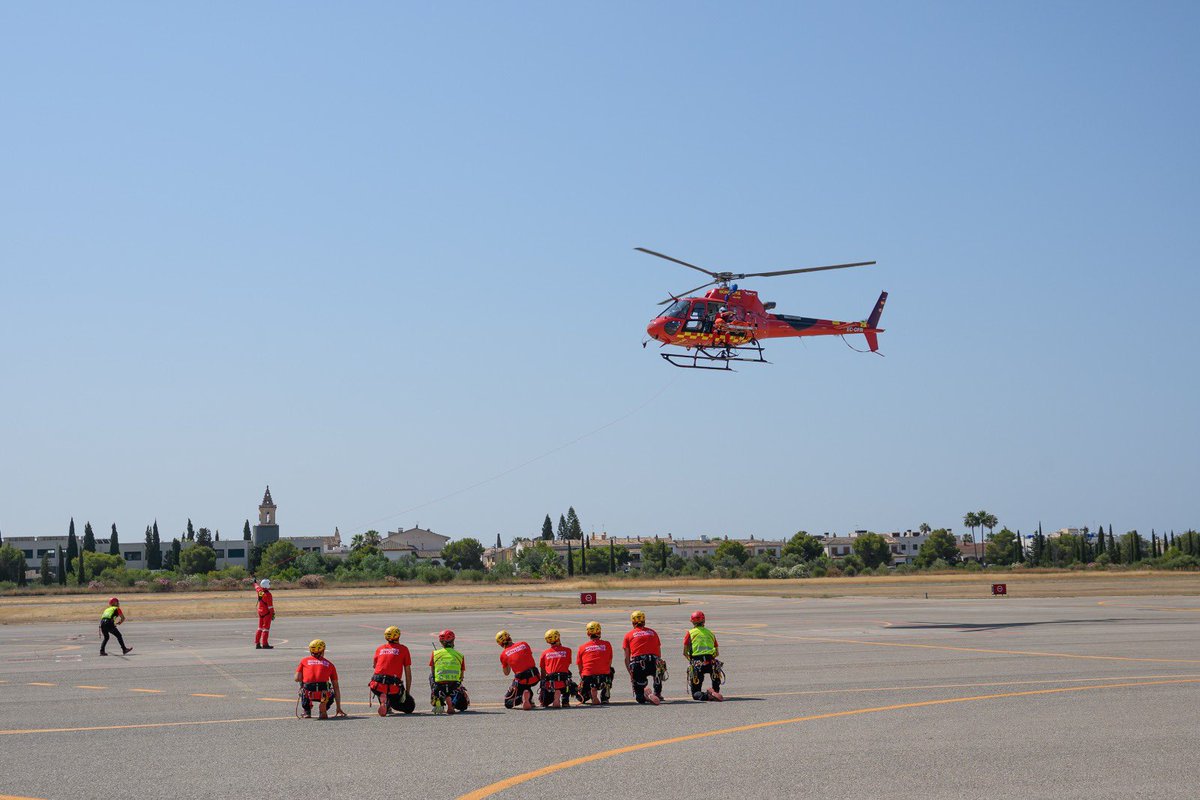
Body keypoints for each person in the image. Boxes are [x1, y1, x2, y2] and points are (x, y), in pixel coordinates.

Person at [294, 639, 346, 719]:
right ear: (323, 651)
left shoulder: (304, 661)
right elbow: (336, 687)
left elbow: (297, 678)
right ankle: (323, 709)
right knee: (329, 690)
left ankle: (307, 711)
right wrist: (338, 707)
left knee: (303, 687)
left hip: (309, 693)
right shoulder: (330, 664)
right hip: (323, 694)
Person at [370, 626, 415, 716]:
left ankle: (384, 699)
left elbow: (375, 666)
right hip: (393, 687)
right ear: (398, 636)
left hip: (376, 685)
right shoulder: (404, 649)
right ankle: (388, 702)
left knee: (383, 686)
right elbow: (408, 674)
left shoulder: (380, 649)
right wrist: (407, 693)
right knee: (409, 707)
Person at [622, 610, 663, 705]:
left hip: (639, 664)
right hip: (653, 662)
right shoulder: (653, 632)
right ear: (644, 621)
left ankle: (644, 695)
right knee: (658, 671)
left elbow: (626, 657)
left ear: (632, 622)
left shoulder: (628, 635)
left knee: (639, 698)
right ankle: (657, 692)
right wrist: (658, 665)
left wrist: (630, 672)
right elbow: (659, 653)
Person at [683, 611, 724, 701]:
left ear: (692, 622)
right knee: (715, 679)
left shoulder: (690, 633)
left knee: (695, 694)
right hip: (711, 662)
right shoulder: (710, 633)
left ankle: (706, 696)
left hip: (697, 663)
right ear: (704, 621)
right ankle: (715, 692)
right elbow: (716, 652)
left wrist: (691, 661)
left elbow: (685, 652)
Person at [496, 630, 539, 710]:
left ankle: (524, 697)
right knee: (526, 684)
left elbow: (506, 673)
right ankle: (530, 700)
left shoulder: (504, 654)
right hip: (535, 676)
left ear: (500, 644)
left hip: (522, 679)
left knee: (508, 703)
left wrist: (507, 662)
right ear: (510, 637)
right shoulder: (524, 643)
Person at [429, 630, 469, 714]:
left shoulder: (435, 653)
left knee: (431, 676)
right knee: (463, 706)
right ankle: (452, 704)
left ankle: (437, 698)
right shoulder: (459, 655)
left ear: (441, 642)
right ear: (453, 641)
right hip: (454, 686)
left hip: (439, 686)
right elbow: (461, 676)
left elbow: (433, 671)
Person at [576, 621, 615, 705]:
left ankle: (591, 691)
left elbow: (580, 665)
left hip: (588, 676)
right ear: (599, 632)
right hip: (603, 676)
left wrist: (582, 677)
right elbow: (609, 661)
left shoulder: (582, 647)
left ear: (588, 633)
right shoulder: (607, 644)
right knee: (611, 671)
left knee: (580, 698)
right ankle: (605, 696)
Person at [538, 629, 575, 708]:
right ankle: (565, 701)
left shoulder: (545, 653)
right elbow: (567, 664)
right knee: (568, 679)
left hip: (551, 682)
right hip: (564, 680)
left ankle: (554, 694)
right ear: (558, 637)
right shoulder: (568, 650)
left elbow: (543, 670)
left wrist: (542, 682)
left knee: (543, 703)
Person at [254, 578, 275, 649]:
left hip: (260, 612)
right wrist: (273, 614)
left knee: (260, 628)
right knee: (266, 629)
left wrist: (255, 583)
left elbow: (257, 587)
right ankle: (265, 644)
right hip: (267, 613)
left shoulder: (260, 591)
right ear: (266, 585)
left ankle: (257, 643)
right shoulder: (268, 594)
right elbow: (270, 607)